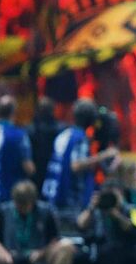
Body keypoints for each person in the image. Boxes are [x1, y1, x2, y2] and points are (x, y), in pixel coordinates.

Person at [41, 99, 119, 232]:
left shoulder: (65, 134)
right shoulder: (80, 138)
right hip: (71, 198)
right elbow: (76, 165)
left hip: (54, 194)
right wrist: (104, 155)